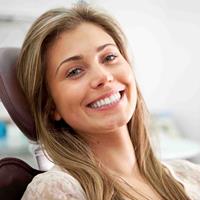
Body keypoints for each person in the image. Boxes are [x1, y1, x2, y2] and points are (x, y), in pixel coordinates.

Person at [17, 2, 200, 200]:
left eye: (109, 57)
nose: (103, 77)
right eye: (75, 71)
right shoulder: (57, 190)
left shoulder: (190, 175)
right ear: (50, 105)